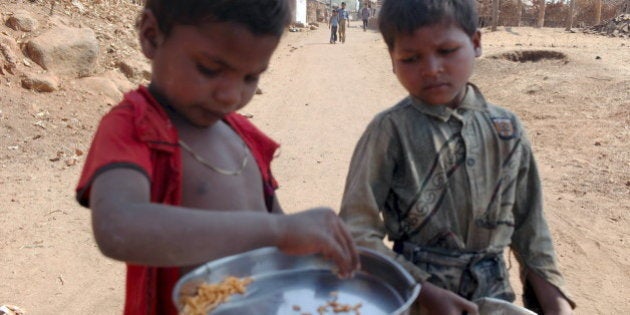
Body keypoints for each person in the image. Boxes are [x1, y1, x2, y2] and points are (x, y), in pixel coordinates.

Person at [75, 0, 360, 314]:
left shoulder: (243, 137)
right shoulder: (134, 126)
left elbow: (274, 230)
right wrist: (279, 231)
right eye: (210, 69)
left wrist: (309, 241)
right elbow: (119, 228)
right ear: (152, 35)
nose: (231, 95)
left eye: (251, 78)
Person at [338, 0, 576, 314]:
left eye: (447, 51)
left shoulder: (507, 130)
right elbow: (356, 229)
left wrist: (556, 302)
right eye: (411, 58)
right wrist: (420, 288)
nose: (432, 68)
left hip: (493, 294)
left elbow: (531, 229)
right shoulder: (389, 132)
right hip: (415, 297)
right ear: (392, 61)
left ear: (475, 43)